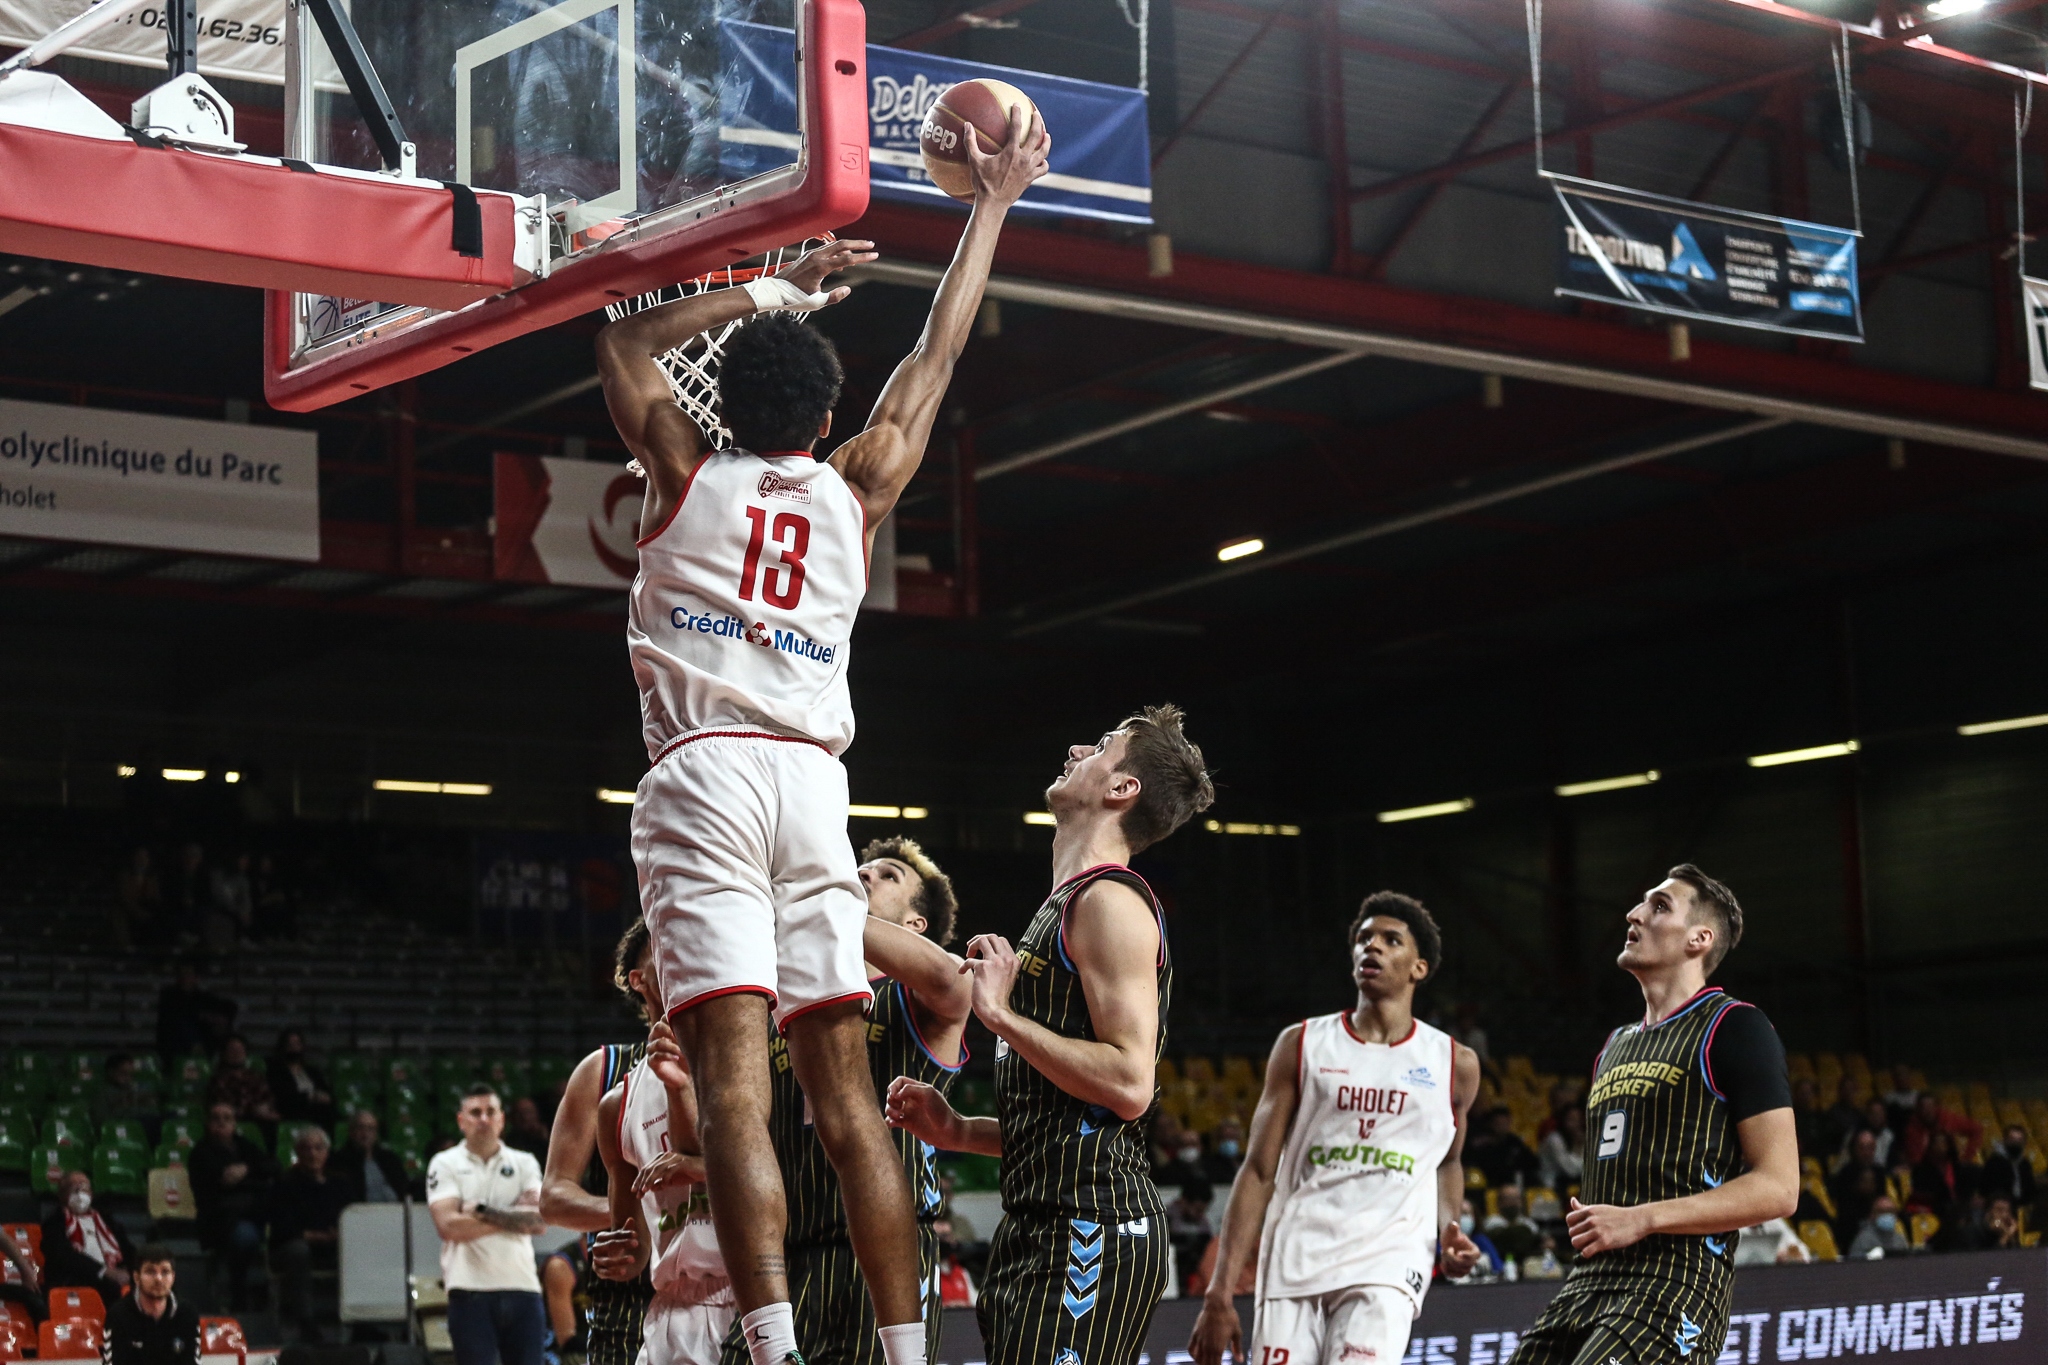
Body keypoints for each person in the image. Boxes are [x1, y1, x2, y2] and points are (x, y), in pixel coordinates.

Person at [595, 96, 1048, 1365]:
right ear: (828, 410)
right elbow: (938, 356)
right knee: (847, 1104)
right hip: (812, 788)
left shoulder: (683, 470)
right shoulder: (859, 485)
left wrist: (775, 290)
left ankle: (777, 1348)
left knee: (735, 1093)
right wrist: (990, 210)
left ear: (726, 398)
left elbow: (624, 338)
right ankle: (906, 1353)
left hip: (704, 781)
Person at [888, 707, 1215, 1365]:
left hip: (1089, 1225)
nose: (1074, 747)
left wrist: (1004, 1017)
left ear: (1123, 789)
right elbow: (1066, 1122)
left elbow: (1128, 1084)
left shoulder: (1110, 901)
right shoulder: (1063, 907)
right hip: (1042, 1221)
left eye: (1099, 746)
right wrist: (958, 1131)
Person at [1508, 866, 1798, 1365]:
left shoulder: (1735, 1026)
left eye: (1659, 906)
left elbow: (1779, 1186)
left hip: (1676, 1282)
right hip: (1590, 1279)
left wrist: (1643, 1219)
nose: (1635, 913)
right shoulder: (1615, 1046)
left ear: (1699, 939)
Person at [1188, 890, 1481, 1365]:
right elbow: (1259, 1171)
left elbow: (1447, 1160)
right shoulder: (1302, 1044)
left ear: (1419, 968)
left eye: (1391, 940)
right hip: (1295, 1256)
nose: (1373, 947)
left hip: (1389, 1262)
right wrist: (1219, 1293)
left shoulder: (1454, 1063)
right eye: (1364, 938)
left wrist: (1449, 1228)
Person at [716, 835, 971, 1365]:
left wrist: (824, 906)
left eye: (888, 876)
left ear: (915, 924)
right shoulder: (782, 1004)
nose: (866, 875)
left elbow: (953, 982)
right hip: (790, 1254)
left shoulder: (915, 998)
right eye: (862, 868)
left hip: (888, 1259)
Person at [541, 928, 657, 1365]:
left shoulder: (742, 1062)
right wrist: (640, 1214)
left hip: (730, 1292)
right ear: (638, 980)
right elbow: (554, 1197)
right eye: (665, 948)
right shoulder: (602, 1070)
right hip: (628, 1305)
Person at [427, 1085, 548, 1365]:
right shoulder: (444, 1163)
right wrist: (515, 1216)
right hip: (469, 1291)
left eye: (490, 1112)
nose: (484, 1119)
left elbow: (540, 1222)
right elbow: (448, 1226)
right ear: (461, 1121)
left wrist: (482, 1211)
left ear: (502, 1119)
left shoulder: (524, 1161)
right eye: (475, 1112)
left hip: (524, 1288)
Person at [188, 1101, 275, 1309]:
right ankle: (239, 1291)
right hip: (219, 1219)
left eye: (227, 1118)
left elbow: (273, 1165)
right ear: (207, 1123)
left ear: (234, 1123)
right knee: (245, 1237)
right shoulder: (200, 1152)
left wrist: (245, 1170)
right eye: (216, 1119)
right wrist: (255, 1179)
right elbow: (217, 1183)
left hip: (254, 1212)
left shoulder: (244, 1145)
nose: (221, 1123)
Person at [273, 1127, 349, 1342]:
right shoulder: (285, 1183)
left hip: (335, 1245)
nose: (312, 1153)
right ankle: (306, 1322)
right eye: (306, 1148)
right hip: (294, 1246)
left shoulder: (340, 1183)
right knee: (298, 1251)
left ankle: (362, 1319)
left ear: (327, 1152)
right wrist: (315, 1236)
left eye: (318, 1148)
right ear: (297, 1152)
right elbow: (282, 1228)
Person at [41, 1171, 134, 1305]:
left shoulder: (105, 1219)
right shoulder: (54, 1223)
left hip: (114, 1273)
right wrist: (104, 1272)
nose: (80, 1195)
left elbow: (127, 1248)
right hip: (77, 1279)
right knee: (112, 1289)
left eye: (84, 1189)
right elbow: (64, 1256)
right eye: (75, 1189)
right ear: (62, 1195)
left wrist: (133, 1270)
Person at [102, 1244, 200, 1365]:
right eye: (150, 1271)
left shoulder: (187, 1314)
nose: (158, 1278)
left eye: (165, 1272)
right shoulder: (118, 1315)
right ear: (137, 1277)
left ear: (173, 1277)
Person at [155, 963, 236, 1064]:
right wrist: (202, 1016)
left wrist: (218, 1019)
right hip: (175, 1040)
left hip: (202, 1037)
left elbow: (228, 1007)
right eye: (183, 974)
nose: (185, 977)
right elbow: (176, 1015)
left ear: (196, 978)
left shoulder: (202, 996)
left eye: (189, 974)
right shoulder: (169, 995)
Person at [331, 1110, 416, 1204]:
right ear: (351, 1131)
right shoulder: (340, 1160)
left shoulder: (390, 1159)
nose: (365, 1134)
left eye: (370, 1129)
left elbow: (403, 1189)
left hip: (394, 1212)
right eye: (361, 1128)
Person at [267, 1032, 336, 1129]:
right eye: (290, 1044)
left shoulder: (312, 1071)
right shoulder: (277, 1071)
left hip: (317, 1107)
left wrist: (325, 1096)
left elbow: (325, 1089)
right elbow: (284, 1096)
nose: (294, 1047)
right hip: (293, 1109)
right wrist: (309, 1097)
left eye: (297, 1044)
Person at [206, 1036, 278, 1124]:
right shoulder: (219, 1080)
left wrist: (266, 1108)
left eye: (240, 1049)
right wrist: (255, 1110)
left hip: (261, 1121)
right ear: (224, 1054)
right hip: (234, 1123)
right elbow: (226, 1108)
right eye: (232, 1050)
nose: (237, 1053)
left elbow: (267, 1097)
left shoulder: (256, 1077)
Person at [1466, 1107, 1540, 1190]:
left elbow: (1533, 1163)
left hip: (1513, 1184)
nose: (1501, 1127)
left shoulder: (1515, 1142)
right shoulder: (1481, 1144)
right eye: (1498, 1124)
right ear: (1491, 1124)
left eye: (1504, 1123)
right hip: (1489, 1185)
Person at [1981, 1124, 2038, 1210]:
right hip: (1999, 1209)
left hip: (2020, 1207)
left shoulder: (2025, 1163)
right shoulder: (1994, 1161)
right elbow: (1987, 1188)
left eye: (2019, 1140)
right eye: (2012, 1139)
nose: (2016, 1143)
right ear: (2005, 1140)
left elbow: (2029, 1187)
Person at [96, 1053, 157, 1130]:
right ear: (111, 1072)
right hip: (122, 1131)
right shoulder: (104, 1094)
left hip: (144, 1128)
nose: (128, 1078)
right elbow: (103, 1121)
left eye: (130, 1074)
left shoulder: (139, 1091)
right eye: (123, 1073)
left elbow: (152, 1111)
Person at [1846, 1196, 1911, 1259]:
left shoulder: (1900, 1239)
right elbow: (1854, 1263)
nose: (1887, 1215)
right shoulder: (1863, 1239)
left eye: (1890, 1211)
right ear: (1872, 1215)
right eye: (1882, 1212)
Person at [1538, 1107, 1586, 1192]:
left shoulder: (1580, 1138)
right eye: (1572, 1120)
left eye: (1579, 1120)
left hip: (1571, 1184)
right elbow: (1571, 1171)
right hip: (1550, 1187)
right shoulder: (1554, 1140)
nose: (1576, 1124)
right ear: (1563, 1121)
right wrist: (1578, 1147)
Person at [505, 1099, 553, 1165]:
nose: (525, 1117)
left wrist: (545, 1139)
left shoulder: (549, 1131)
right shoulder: (512, 1142)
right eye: (519, 1114)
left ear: (536, 1113)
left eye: (528, 1112)